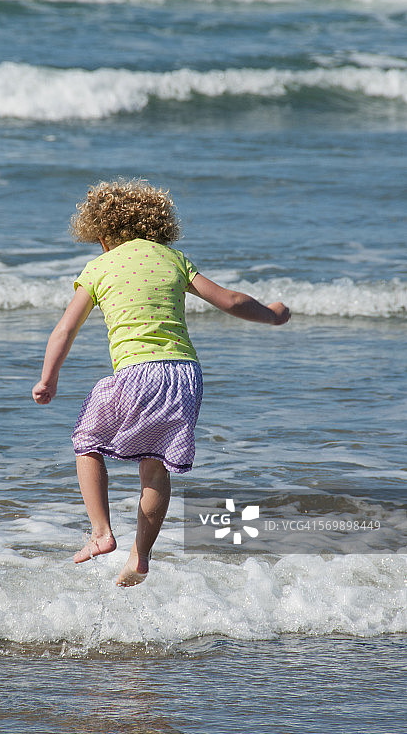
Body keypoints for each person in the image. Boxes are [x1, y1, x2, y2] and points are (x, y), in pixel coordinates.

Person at [32, 179, 290, 587]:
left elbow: (64, 330)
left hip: (137, 372)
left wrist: (49, 378)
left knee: (87, 441)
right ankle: (141, 555)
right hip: (184, 376)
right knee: (155, 469)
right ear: (157, 225)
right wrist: (273, 315)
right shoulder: (172, 258)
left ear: (100, 233)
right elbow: (232, 301)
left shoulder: (99, 267)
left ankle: (101, 533)